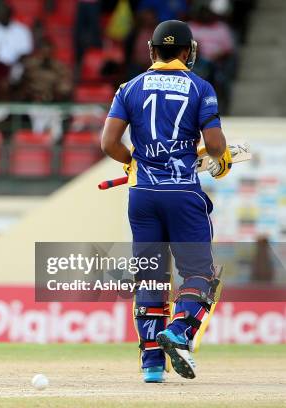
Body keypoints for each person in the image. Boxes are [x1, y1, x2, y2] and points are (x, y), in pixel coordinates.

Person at [101, 20, 235, 383]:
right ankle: (179, 331)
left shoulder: (129, 87)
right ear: (188, 51)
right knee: (198, 273)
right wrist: (218, 158)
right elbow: (217, 145)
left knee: (150, 276)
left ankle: (152, 365)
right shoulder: (200, 87)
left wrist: (133, 163)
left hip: (141, 195)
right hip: (182, 193)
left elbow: (109, 143)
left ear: (151, 50)